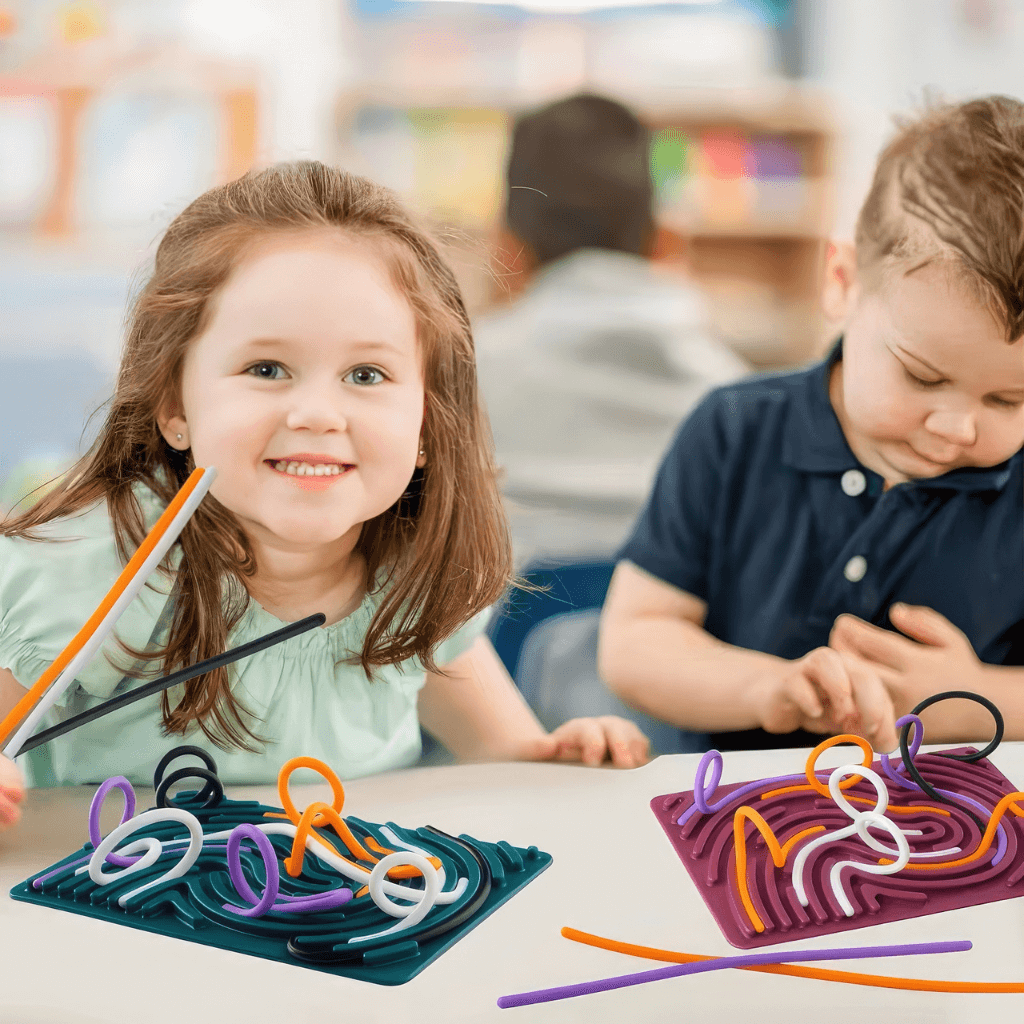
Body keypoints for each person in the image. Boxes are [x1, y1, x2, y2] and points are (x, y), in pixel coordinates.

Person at [0, 162, 650, 830]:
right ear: (175, 407)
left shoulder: (413, 573)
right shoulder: (102, 557)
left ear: (428, 422)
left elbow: (510, 759)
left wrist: (564, 757)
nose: (317, 413)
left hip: (344, 920)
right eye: (266, 369)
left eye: (365, 374)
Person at [598, 95, 1024, 755]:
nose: (958, 426)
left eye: (1009, 400)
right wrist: (767, 688)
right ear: (843, 281)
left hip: (955, 826)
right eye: (923, 376)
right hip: (728, 816)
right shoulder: (732, 432)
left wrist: (976, 698)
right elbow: (634, 643)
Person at [474, 93, 748, 565]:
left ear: (506, 247)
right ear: (665, 241)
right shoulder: (743, 404)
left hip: (498, 636)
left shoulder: (456, 378)